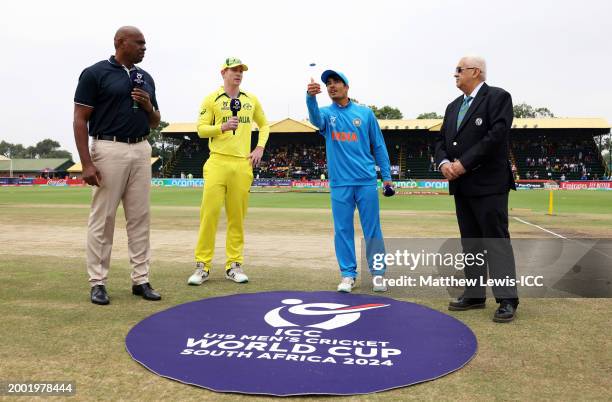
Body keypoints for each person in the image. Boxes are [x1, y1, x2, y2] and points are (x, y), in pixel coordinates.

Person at [73, 26, 162, 305]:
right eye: (139, 43)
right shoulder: (95, 73)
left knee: (140, 218)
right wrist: (86, 163)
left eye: (145, 44)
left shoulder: (145, 78)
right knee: (104, 219)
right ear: (120, 42)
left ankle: (141, 279)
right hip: (108, 147)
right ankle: (98, 282)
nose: (144, 48)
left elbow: (155, 120)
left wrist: (148, 106)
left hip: (141, 147)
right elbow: (79, 119)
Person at [435, 56, 519, 323]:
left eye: (459, 70)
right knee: (470, 242)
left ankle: (507, 299)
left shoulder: (498, 97)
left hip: (489, 184)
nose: (455, 74)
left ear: (476, 71)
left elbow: (496, 137)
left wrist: (464, 163)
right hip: (462, 185)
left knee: (495, 241)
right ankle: (474, 293)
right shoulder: (452, 107)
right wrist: (445, 162)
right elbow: (440, 141)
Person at [306, 69, 392, 293]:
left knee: (372, 228)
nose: (332, 86)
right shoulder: (326, 114)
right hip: (340, 183)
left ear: (346, 86)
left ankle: (378, 274)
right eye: (328, 84)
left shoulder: (365, 114)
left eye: (336, 82)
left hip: (365, 181)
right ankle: (347, 275)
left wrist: (387, 178)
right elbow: (315, 119)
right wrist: (310, 98)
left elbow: (379, 146)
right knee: (342, 230)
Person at [188, 57, 269, 285]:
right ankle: (202, 266)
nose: (238, 74)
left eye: (241, 70)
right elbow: (201, 130)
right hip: (217, 162)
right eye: (234, 70)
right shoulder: (211, 99)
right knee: (209, 215)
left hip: (242, 164)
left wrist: (260, 147)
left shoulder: (250, 99)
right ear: (223, 72)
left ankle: (234, 265)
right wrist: (221, 127)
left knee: (237, 218)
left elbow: (264, 125)